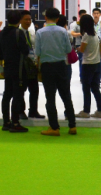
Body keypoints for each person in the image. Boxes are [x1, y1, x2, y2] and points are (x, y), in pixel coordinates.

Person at [35, 8, 77, 136]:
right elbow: (68, 49)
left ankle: (54, 127)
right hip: (61, 66)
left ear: (45, 17)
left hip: (47, 67)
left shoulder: (40, 32)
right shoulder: (63, 31)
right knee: (66, 96)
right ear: (58, 19)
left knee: (50, 97)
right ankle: (72, 126)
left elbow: (38, 52)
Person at [0, 9, 30, 133]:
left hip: (7, 68)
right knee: (17, 95)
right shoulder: (18, 33)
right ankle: (15, 122)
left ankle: (6, 122)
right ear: (19, 20)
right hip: (19, 68)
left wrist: (1, 69)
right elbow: (25, 51)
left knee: (7, 94)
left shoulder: (1, 33)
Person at [76, 14, 101, 119]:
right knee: (95, 88)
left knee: (86, 88)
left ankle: (86, 111)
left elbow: (82, 49)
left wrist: (77, 48)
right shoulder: (95, 34)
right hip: (96, 63)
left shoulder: (86, 35)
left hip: (88, 64)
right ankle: (100, 111)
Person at [19, 11, 43, 119]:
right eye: (26, 19)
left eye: (30, 19)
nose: (28, 22)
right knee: (21, 90)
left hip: (32, 64)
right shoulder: (18, 33)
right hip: (22, 65)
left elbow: (35, 47)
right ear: (20, 20)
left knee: (34, 90)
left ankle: (33, 111)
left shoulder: (31, 32)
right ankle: (21, 111)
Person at [70, 9, 87, 81]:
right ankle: (82, 77)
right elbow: (72, 33)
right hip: (79, 44)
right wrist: (80, 34)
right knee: (81, 60)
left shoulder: (88, 23)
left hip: (88, 44)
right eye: (82, 15)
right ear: (79, 16)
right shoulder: (77, 24)